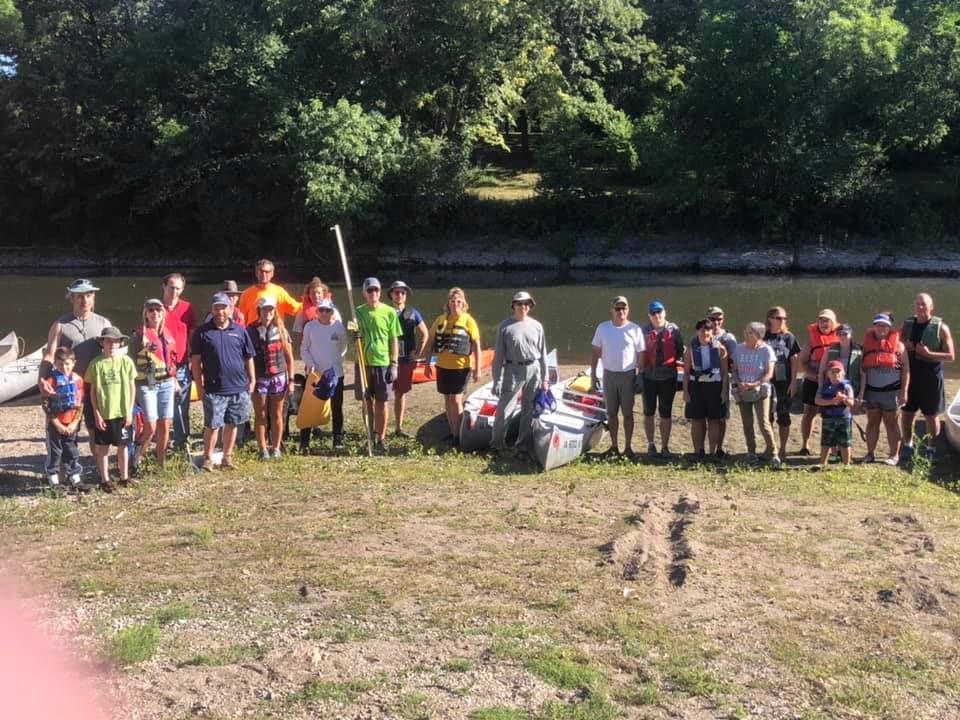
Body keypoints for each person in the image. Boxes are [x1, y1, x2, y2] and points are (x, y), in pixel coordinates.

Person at [39, 279, 113, 456]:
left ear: (94, 297)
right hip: (68, 387)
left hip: (96, 386)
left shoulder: (104, 324)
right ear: (72, 298)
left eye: (89, 295)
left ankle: (100, 474)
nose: (84, 300)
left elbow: (112, 355)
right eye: (80, 296)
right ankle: (65, 477)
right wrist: (42, 380)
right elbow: (49, 355)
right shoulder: (60, 325)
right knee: (66, 431)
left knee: (98, 431)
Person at [190, 292, 256, 471]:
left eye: (223, 308)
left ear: (231, 309)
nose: (220, 312)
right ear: (212, 310)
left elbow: (248, 357)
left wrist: (252, 379)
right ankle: (207, 459)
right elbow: (195, 361)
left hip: (239, 387)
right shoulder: (202, 332)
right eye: (216, 308)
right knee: (212, 426)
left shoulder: (240, 331)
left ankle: (227, 457)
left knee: (233, 423)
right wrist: (199, 385)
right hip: (214, 388)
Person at [490, 291, 549, 456]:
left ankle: (522, 445)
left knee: (528, 409)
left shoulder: (537, 326)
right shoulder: (505, 326)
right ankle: (497, 445)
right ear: (513, 305)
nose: (523, 307)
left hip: (533, 369)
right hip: (512, 370)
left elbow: (543, 354)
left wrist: (545, 378)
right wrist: (496, 380)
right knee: (504, 409)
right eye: (519, 304)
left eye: (526, 304)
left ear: (530, 306)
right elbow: (498, 356)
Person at [423, 287, 481, 444]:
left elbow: (476, 344)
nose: (455, 304)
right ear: (448, 303)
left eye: (458, 301)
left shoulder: (468, 320)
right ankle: (453, 432)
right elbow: (430, 342)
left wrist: (477, 368)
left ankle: (461, 435)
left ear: (463, 303)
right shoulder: (440, 320)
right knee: (448, 400)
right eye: (452, 301)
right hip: (443, 366)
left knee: (456, 400)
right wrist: (427, 364)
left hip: (461, 368)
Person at [900, 293, 955, 459]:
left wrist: (929, 353)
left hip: (931, 378)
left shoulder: (942, 328)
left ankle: (931, 448)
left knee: (931, 415)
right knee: (907, 413)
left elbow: (951, 356)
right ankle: (908, 445)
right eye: (917, 304)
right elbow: (898, 347)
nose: (920, 307)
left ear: (931, 307)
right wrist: (904, 346)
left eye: (923, 304)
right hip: (911, 376)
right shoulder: (907, 325)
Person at [591, 295, 645, 458]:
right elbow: (595, 353)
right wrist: (593, 374)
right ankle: (614, 446)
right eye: (618, 308)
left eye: (624, 308)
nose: (621, 311)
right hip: (609, 375)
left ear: (628, 310)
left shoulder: (635, 329)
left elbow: (641, 353)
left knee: (628, 413)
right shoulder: (603, 328)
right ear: (612, 310)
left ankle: (628, 447)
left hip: (628, 375)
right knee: (611, 413)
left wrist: (640, 374)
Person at [129, 299, 179, 472]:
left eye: (158, 310)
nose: (155, 313)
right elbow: (131, 363)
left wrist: (175, 381)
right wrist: (132, 389)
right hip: (146, 384)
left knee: (165, 424)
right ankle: (137, 456)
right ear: (145, 313)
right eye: (151, 310)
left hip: (166, 383)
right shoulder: (137, 335)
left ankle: (160, 463)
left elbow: (171, 359)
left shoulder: (166, 333)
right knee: (150, 425)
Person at [85, 327, 137, 492]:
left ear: (120, 343)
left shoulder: (126, 361)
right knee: (103, 447)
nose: (112, 345)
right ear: (102, 343)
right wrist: (97, 413)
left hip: (122, 412)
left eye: (115, 341)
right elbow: (92, 392)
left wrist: (129, 411)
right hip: (105, 412)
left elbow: (132, 387)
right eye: (108, 341)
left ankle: (124, 477)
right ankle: (105, 479)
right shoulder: (96, 364)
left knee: (123, 446)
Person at [355, 277, 402, 453]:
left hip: (383, 363)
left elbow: (394, 339)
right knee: (366, 401)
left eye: (376, 290)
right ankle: (370, 436)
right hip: (364, 362)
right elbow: (354, 336)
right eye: (369, 290)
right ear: (364, 293)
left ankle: (381, 438)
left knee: (382, 402)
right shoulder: (358, 311)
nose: (373, 293)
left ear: (380, 291)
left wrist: (394, 363)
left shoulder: (389, 312)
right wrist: (355, 333)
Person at [247, 297, 295, 460]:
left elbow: (289, 358)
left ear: (274, 311)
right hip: (260, 378)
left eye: (271, 309)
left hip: (279, 377)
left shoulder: (281, 330)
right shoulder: (251, 330)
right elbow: (247, 357)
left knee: (277, 414)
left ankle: (276, 448)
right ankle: (262, 449)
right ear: (259, 311)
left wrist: (292, 380)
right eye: (265, 309)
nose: (268, 313)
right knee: (260, 414)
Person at [857, 314, 908, 465]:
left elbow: (906, 370)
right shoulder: (867, 344)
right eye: (878, 325)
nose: (881, 328)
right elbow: (862, 370)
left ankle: (894, 455)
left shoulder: (899, 345)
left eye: (884, 325)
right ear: (873, 327)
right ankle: (870, 454)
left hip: (891, 391)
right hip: (872, 391)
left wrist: (904, 391)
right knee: (872, 422)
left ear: (890, 327)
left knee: (891, 423)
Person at [300, 298, 347, 452]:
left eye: (327, 310)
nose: (324, 313)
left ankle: (338, 438)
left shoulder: (338, 327)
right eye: (321, 310)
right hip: (315, 373)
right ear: (317, 311)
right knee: (309, 407)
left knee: (336, 407)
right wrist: (311, 365)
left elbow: (343, 347)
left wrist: (335, 364)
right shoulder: (310, 327)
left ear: (332, 312)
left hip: (335, 374)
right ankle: (304, 442)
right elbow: (304, 348)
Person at [39, 347, 86, 491]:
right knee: (55, 452)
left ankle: (75, 479)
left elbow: (80, 404)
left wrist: (74, 423)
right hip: (56, 423)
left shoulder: (78, 380)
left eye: (67, 364)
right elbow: (46, 404)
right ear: (54, 364)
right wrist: (57, 424)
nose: (64, 367)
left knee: (71, 450)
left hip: (72, 423)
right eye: (60, 364)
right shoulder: (51, 381)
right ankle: (53, 479)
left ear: (73, 363)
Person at [641, 300, 683, 457]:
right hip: (649, 377)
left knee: (665, 412)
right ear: (649, 316)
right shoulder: (643, 330)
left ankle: (665, 446)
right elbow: (639, 352)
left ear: (664, 313)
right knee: (648, 412)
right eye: (653, 313)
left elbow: (679, 349)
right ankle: (651, 444)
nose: (657, 315)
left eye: (659, 312)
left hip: (668, 377)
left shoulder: (674, 330)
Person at [683, 318, 729, 460]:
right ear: (697, 332)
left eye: (708, 330)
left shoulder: (720, 349)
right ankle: (698, 451)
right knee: (697, 420)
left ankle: (712, 452)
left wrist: (724, 391)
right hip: (696, 386)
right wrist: (685, 391)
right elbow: (685, 372)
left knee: (714, 420)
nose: (705, 333)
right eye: (702, 330)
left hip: (714, 386)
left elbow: (724, 373)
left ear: (712, 332)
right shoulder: (690, 350)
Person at [732, 322, 777, 466]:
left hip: (760, 391)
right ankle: (751, 453)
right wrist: (739, 383)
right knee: (747, 424)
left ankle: (772, 453)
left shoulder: (766, 350)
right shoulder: (739, 349)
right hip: (743, 390)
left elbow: (769, 373)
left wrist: (756, 384)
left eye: (750, 332)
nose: (746, 334)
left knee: (763, 422)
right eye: (746, 331)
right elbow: (734, 369)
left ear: (758, 335)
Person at [161, 273, 197, 450]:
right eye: (171, 287)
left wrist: (192, 358)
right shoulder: (155, 308)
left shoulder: (187, 307)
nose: (174, 291)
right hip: (161, 364)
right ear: (164, 287)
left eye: (178, 288)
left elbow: (192, 334)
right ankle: (163, 441)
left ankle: (182, 442)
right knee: (163, 405)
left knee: (182, 405)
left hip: (182, 364)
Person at [797, 309, 839, 455]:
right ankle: (805, 445)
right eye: (821, 320)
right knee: (809, 413)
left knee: (833, 414)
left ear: (833, 323)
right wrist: (813, 375)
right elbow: (803, 362)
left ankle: (835, 448)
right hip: (813, 380)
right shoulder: (811, 339)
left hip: (833, 382)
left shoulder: (841, 337)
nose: (823, 323)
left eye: (827, 320)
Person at [390, 280, 428, 438]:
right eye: (396, 292)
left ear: (406, 296)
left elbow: (425, 333)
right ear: (391, 294)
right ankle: (380, 429)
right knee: (382, 395)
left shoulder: (413, 312)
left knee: (400, 393)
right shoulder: (385, 311)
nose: (399, 295)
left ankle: (398, 428)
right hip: (386, 359)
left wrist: (418, 352)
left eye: (402, 293)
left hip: (406, 360)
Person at [763, 307, 801, 460]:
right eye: (779, 318)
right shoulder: (762, 336)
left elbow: (794, 362)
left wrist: (793, 383)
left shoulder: (788, 337)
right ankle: (770, 447)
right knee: (767, 417)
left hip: (783, 383)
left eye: (784, 318)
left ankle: (783, 449)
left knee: (783, 416)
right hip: (765, 382)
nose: (782, 321)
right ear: (770, 318)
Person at [706, 306, 737, 457]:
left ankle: (720, 447)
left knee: (722, 416)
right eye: (713, 319)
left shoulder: (729, 338)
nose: (716, 322)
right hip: (705, 381)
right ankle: (709, 448)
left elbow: (735, 359)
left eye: (719, 319)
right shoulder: (702, 335)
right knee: (709, 417)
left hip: (723, 379)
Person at [237, 258, 302, 325]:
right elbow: (241, 320)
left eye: (267, 272)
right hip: (253, 333)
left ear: (272, 274)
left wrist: (309, 300)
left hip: (276, 332)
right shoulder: (246, 294)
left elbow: (296, 309)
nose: (264, 274)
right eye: (261, 271)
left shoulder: (279, 292)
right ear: (256, 273)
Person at [816, 360, 856, 468]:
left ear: (843, 374)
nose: (835, 375)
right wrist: (832, 401)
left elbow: (852, 403)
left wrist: (844, 399)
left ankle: (846, 464)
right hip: (828, 418)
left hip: (843, 419)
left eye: (838, 372)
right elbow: (817, 401)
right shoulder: (823, 387)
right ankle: (822, 463)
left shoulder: (847, 387)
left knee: (845, 443)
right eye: (832, 372)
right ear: (828, 374)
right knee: (826, 442)